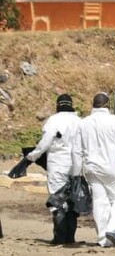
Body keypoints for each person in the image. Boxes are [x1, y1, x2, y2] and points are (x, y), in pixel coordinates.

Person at [71, 92, 115, 248]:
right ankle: (113, 230)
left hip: (91, 169)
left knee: (99, 201)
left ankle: (103, 238)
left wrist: (76, 175)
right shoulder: (114, 121)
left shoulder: (83, 123)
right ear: (107, 105)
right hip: (112, 168)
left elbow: (76, 151)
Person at [25, 94, 81, 244]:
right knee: (72, 199)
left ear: (58, 105)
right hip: (76, 164)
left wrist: (32, 156)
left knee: (57, 198)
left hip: (57, 163)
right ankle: (70, 238)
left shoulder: (54, 120)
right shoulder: (79, 121)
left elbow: (45, 143)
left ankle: (60, 237)